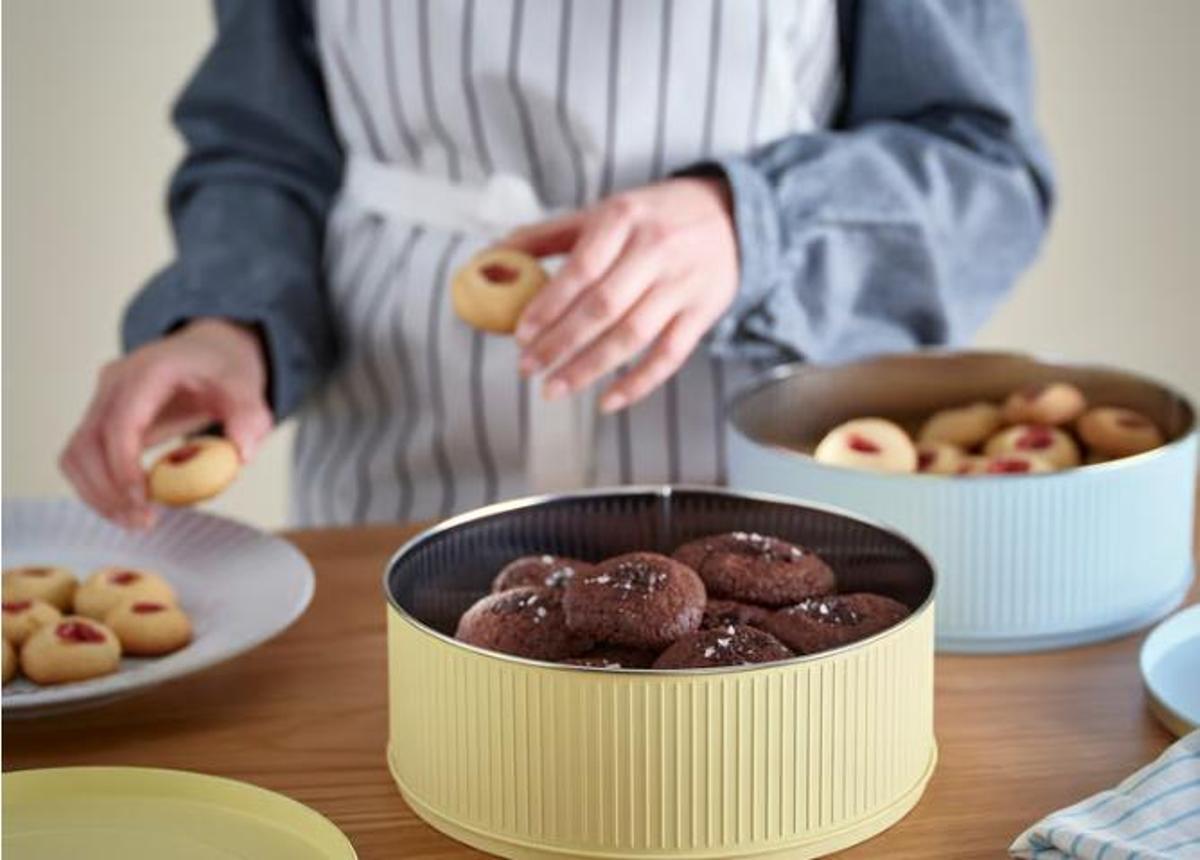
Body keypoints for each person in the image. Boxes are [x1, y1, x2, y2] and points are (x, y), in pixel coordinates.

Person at [60, 0, 1054, 529]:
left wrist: (752, 226)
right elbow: (267, 141)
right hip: (387, 493)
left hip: (760, 489)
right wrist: (232, 321)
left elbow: (984, 172)